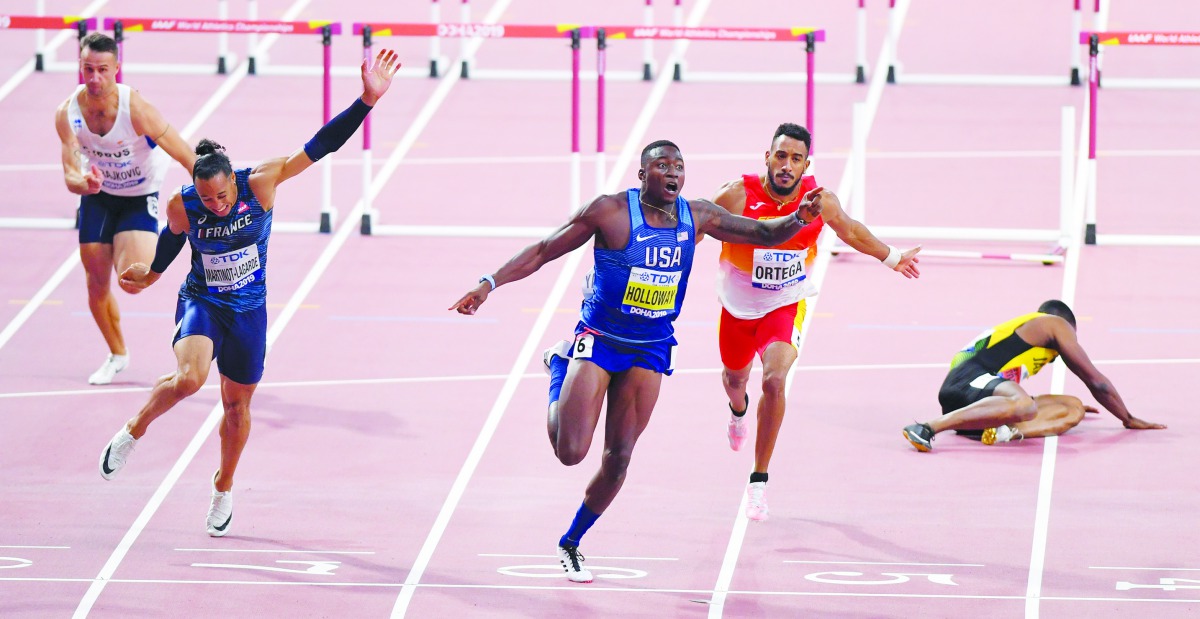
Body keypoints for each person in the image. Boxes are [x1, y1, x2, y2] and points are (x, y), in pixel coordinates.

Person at [449, 140, 824, 583]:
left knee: (619, 459)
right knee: (570, 452)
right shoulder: (608, 212)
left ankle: (571, 542)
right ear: (643, 174)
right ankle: (558, 368)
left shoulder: (698, 215)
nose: (673, 173)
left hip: (649, 346)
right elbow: (544, 249)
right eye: (662, 165)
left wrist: (797, 218)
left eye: (679, 167)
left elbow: (763, 233)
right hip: (602, 338)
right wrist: (488, 283)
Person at [97, 49, 401, 537]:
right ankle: (134, 430)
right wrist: (152, 272)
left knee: (236, 408)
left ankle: (223, 485)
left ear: (232, 183)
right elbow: (173, 240)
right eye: (208, 198)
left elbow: (320, 145)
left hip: (249, 311)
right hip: (203, 301)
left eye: (222, 197)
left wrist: (366, 100)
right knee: (190, 379)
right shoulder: (184, 203)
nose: (216, 207)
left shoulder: (261, 182)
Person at [714, 123, 920, 521]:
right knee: (734, 379)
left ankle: (758, 482)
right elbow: (694, 227)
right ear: (767, 157)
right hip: (737, 310)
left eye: (795, 159)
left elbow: (851, 230)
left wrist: (892, 258)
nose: (786, 165)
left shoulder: (818, 200)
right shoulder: (737, 194)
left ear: (806, 164)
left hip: (784, 306)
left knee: (774, 380)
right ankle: (738, 412)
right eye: (780, 156)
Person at [55, 32, 197, 385]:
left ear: (117, 69)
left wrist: (214, 188)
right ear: (80, 67)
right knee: (96, 282)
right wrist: (82, 183)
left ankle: (191, 314)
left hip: (139, 194)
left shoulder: (136, 109)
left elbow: (181, 150)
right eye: (88, 69)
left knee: (133, 280)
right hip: (99, 194)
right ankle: (118, 354)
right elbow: (70, 175)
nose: (94, 78)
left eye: (102, 70)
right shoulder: (67, 114)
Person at [902, 299, 1166, 451]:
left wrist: (1054, 406)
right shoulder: (1054, 324)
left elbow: (1004, 381)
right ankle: (926, 427)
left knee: (1071, 407)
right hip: (967, 382)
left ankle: (998, 429)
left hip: (976, 391)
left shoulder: (1027, 335)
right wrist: (1128, 418)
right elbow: (1095, 381)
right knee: (1026, 406)